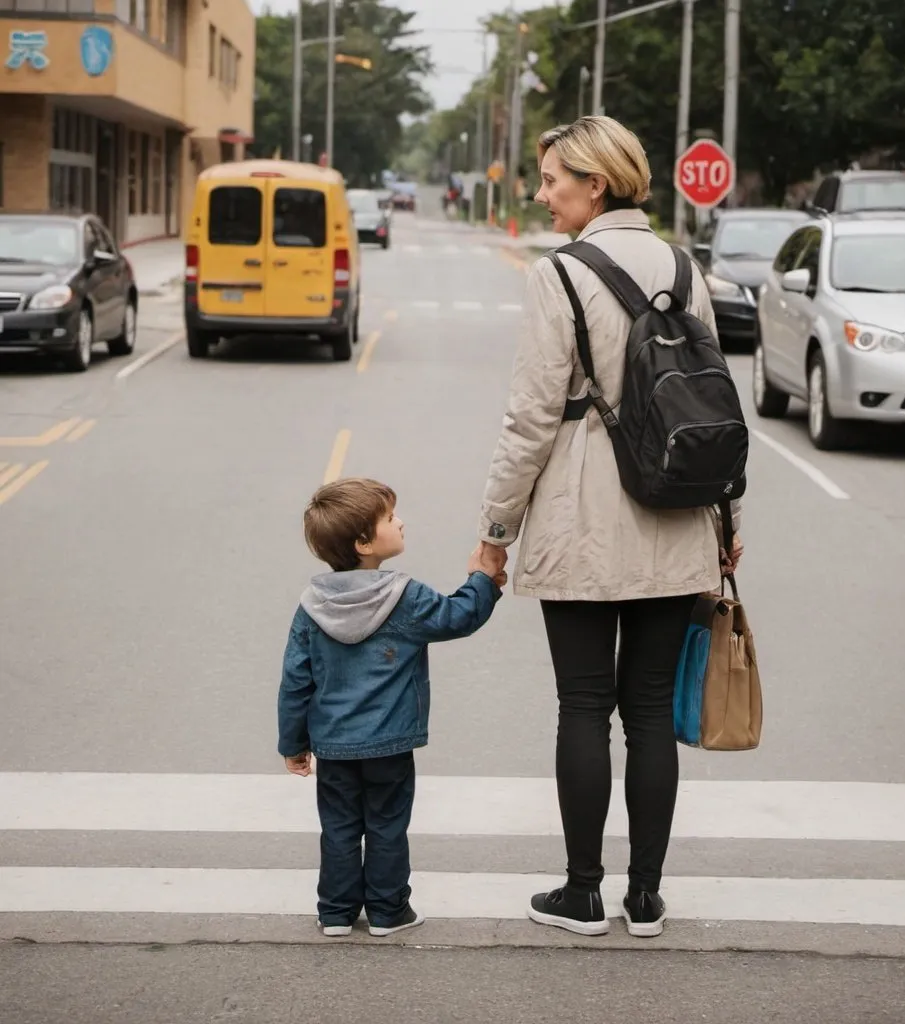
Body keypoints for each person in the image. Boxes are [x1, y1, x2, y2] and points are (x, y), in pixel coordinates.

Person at [473, 116, 744, 938]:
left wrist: (496, 527)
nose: (542, 192)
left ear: (596, 183)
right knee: (652, 709)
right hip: (678, 511)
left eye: (554, 178)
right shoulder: (684, 265)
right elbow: (712, 397)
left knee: (584, 706)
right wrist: (730, 517)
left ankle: (583, 892)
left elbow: (530, 418)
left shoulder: (558, 274)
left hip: (585, 515)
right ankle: (647, 896)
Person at [278, 477, 506, 938]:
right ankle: (387, 911)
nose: (399, 521)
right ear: (364, 542)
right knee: (386, 823)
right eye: (389, 517)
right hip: (390, 742)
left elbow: (295, 681)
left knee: (339, 826)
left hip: (335, 745)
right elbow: (457, 617)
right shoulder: (403, 595)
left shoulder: (311, 606)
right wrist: (482, 580)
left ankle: (336, 912)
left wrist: (294, 744)